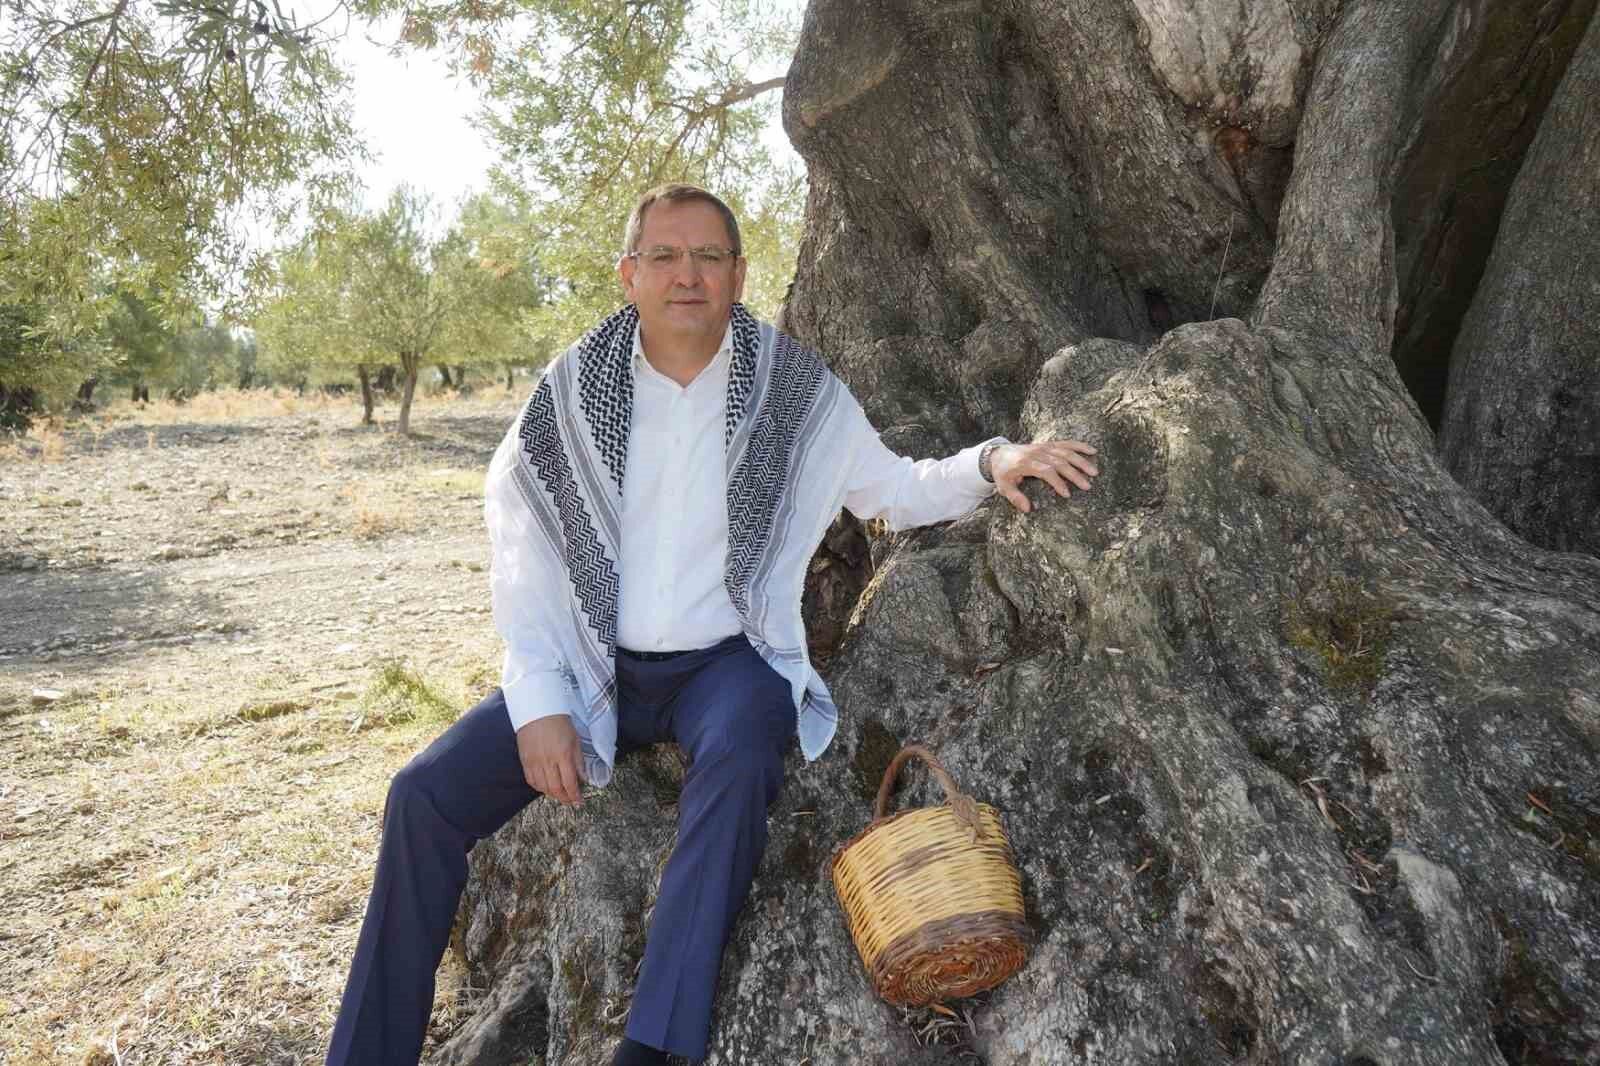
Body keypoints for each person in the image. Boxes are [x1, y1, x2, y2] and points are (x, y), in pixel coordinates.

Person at [324, 184, 1099, 1066]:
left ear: (738, 273)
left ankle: (654, 1048)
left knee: (740, 755)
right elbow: (523, 542)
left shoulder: (791, 387)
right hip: (588, 662)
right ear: (629, 275)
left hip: (726, 663)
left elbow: (891, 490)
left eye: (707, 256)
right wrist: (539, 700)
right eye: (663, 255)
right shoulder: (574, 388)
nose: (685, 274)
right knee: (422, 797)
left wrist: (994, 459)